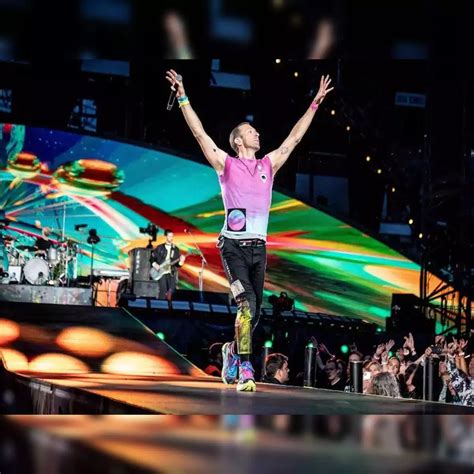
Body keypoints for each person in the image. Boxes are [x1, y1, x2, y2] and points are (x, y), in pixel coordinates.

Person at [165, 69, 333, 392]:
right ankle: (245, 368)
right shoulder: (225, 164)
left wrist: (315, 103)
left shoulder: (268, 165)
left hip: (259, 248)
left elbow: (294, 138)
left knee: (254, 314)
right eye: (251, 131)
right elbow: (199, 134)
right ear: (238, 141)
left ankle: (231, 350)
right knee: (245, 305)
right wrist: (183, 96)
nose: (258, 134)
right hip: (233, 247)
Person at [150, 229, 186, 300]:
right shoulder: (160, 248)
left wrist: (181, 261)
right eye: (169, 236)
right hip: (161, 272)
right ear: (166, 237)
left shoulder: (176, 249)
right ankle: (161, 304)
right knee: (163, 290)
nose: (171, 238)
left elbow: (177, 265)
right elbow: (152, 258)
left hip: (171, 272)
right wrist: (155, 264)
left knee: (171, 291)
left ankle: (170, 305)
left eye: (172, 236)